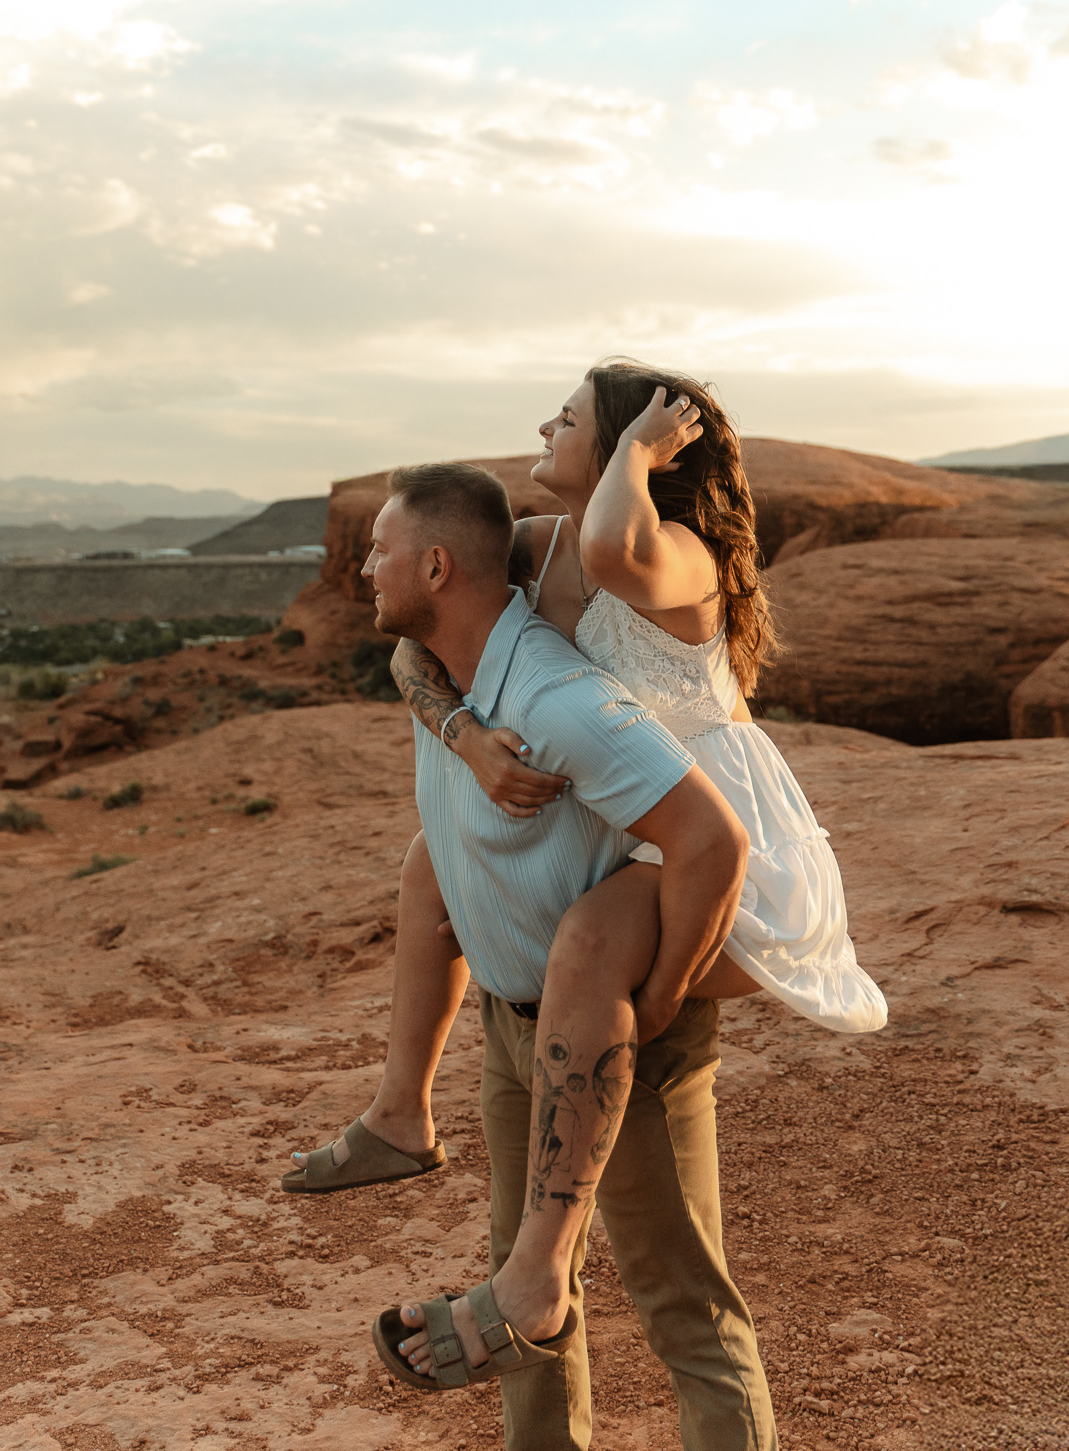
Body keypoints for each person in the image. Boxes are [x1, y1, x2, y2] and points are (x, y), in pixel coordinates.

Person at [351, 457, 777, 1449]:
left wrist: (662, 992)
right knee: (524, 1277)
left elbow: (712, 839)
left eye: (380, 549)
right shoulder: (515, 577)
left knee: (681, 1299)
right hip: (519, 1014)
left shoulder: (602, 635)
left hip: (618, 1010)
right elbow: (413, 653)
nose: (364, 566)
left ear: (438, 565)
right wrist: (464, 735)